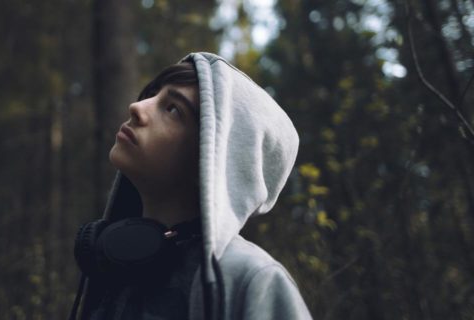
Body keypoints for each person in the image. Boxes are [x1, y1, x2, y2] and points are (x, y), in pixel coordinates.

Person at [71, 52, 312, 320]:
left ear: (215, 155)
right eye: (152, 94)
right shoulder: (117, 261)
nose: (138, 107)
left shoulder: (252, 279)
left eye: (172, 109)